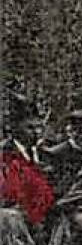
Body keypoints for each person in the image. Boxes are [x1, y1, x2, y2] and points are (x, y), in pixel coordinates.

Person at [1, 94, 54, 228]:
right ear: (14, 128)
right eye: (30, 128)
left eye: (39, 128)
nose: (36, 133)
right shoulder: (5, 154)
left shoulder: (46, 154)